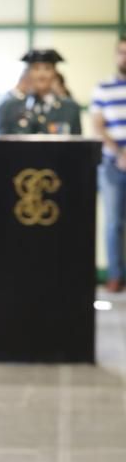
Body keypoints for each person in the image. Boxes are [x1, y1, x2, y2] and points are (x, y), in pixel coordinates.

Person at [92, 37, 126, 292]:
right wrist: (119, 153)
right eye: (122, 52)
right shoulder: (103, 87)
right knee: (113, 222)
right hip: (112, 164)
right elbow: (97, 125)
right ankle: (115, 275)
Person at [0, 50, 81, 135]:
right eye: (36, 68)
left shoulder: (70, 108)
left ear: (55, 73)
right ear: (28, 73)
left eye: (47, 68)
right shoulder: (10, 107)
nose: (41, 74)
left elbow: (77, 145)